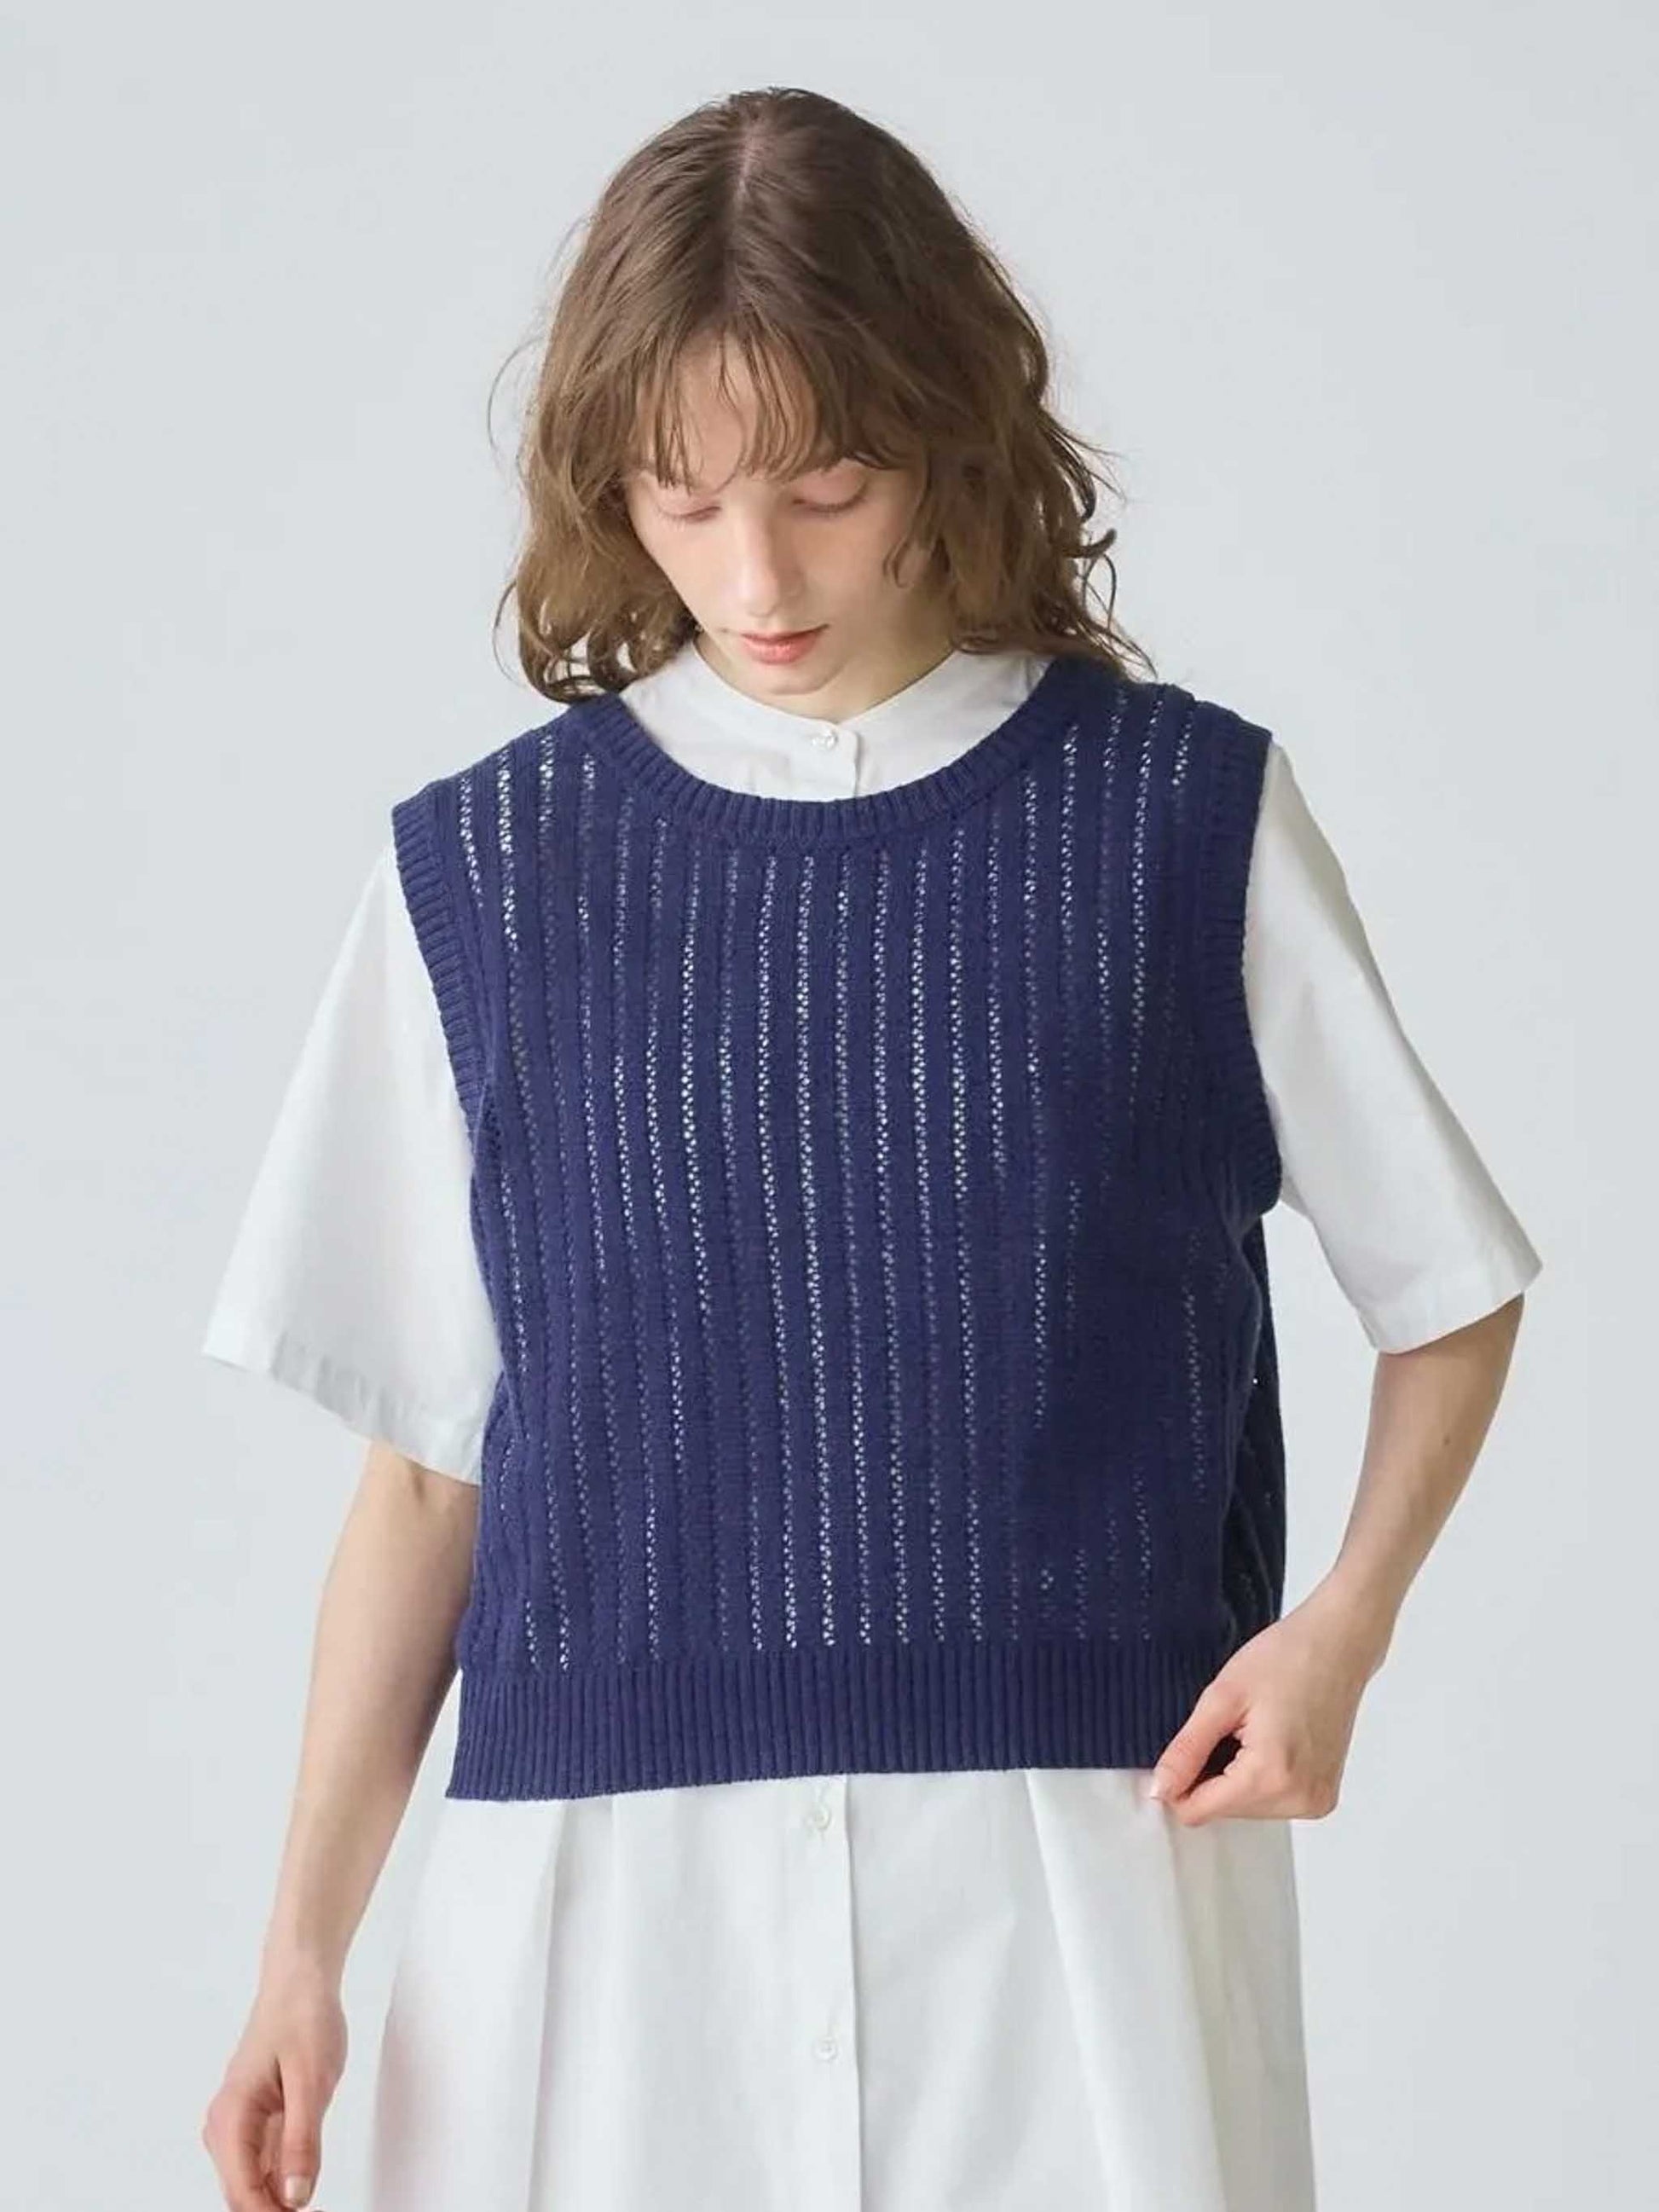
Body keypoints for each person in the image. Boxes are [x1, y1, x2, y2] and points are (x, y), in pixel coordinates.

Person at [197, 84, 1540, 2212]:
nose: (757, 573)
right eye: (684, 497)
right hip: (597, 1942)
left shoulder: (1173, 824)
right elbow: (430, 1475)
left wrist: (1339, 1630)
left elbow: (1446, 1289)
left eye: (826, 485)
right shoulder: (489, 877)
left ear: (944, 429)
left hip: (1074, 1892)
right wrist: (299, 1953)